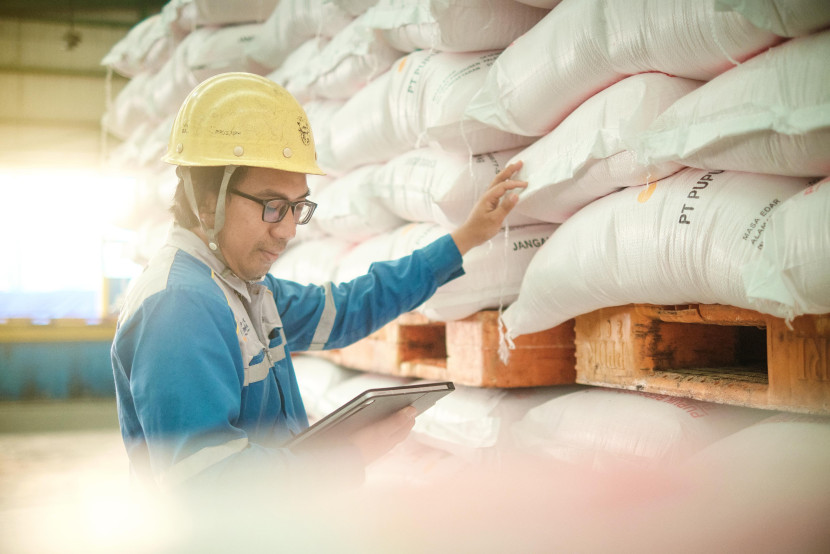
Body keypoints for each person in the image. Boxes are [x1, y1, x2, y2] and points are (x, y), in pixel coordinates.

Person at [111, 72, 527, 494]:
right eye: (273, 206)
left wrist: (465, 238)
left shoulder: (242, 289)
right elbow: (208, 489)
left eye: (298, 207)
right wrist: (349, 456)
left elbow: (345, 309)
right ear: (206, 202)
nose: (289, 231)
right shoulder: (180, 307)